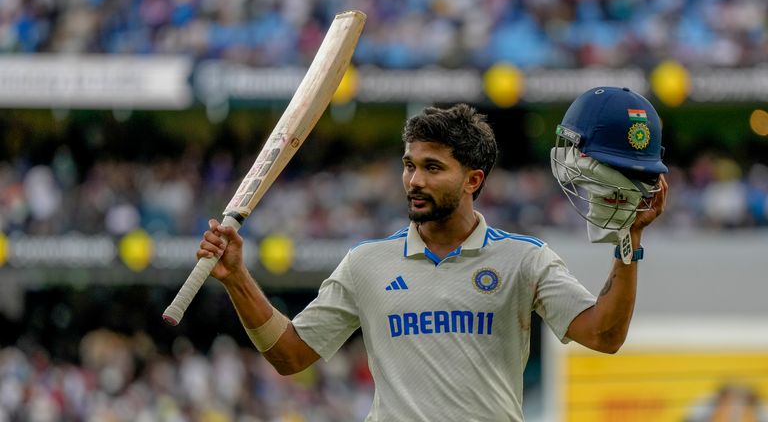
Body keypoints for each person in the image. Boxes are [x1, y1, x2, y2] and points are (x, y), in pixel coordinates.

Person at [197, 103, 668, 421]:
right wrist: (238, 277)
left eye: (432, 168)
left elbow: (605, 335)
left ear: (473, 179)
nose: (414, 180)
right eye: (409, 165)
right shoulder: (366, 264)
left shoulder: (525, 259)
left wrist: (629, 239)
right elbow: (290, 355)